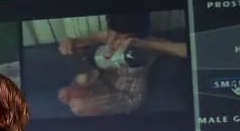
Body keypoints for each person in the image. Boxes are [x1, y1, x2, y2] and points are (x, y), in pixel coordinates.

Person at [55, 14, 188, 117]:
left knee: (80, 100)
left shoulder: (147, 46)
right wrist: (79, 41)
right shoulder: (108, 40)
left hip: (125, 94)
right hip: (100, 89)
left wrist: (145, 43)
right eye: (118, 36)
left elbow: (195, 52)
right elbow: (83, 63)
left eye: (125, 37)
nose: (120, 41)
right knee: (73, 93)